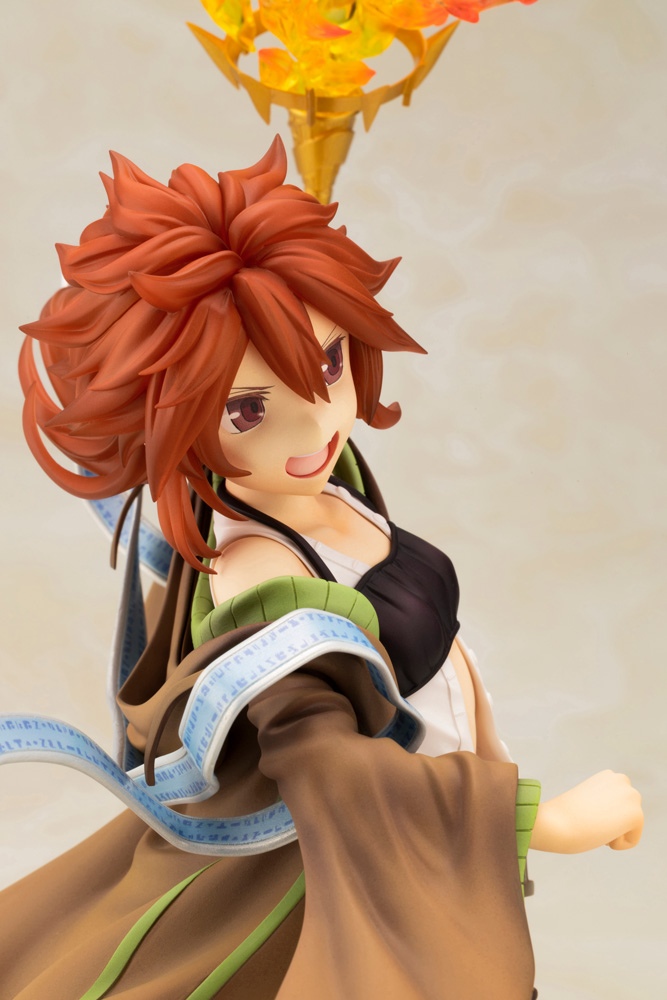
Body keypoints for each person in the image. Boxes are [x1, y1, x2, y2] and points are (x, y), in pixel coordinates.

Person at [3, 137, 641, 1000]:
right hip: (360, 860)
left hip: (435, 826)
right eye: (246, 408)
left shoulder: (323, 477)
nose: (313, 425)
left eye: (328, 362)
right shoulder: (259, 577)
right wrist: (543, 821)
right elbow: (331, 769)